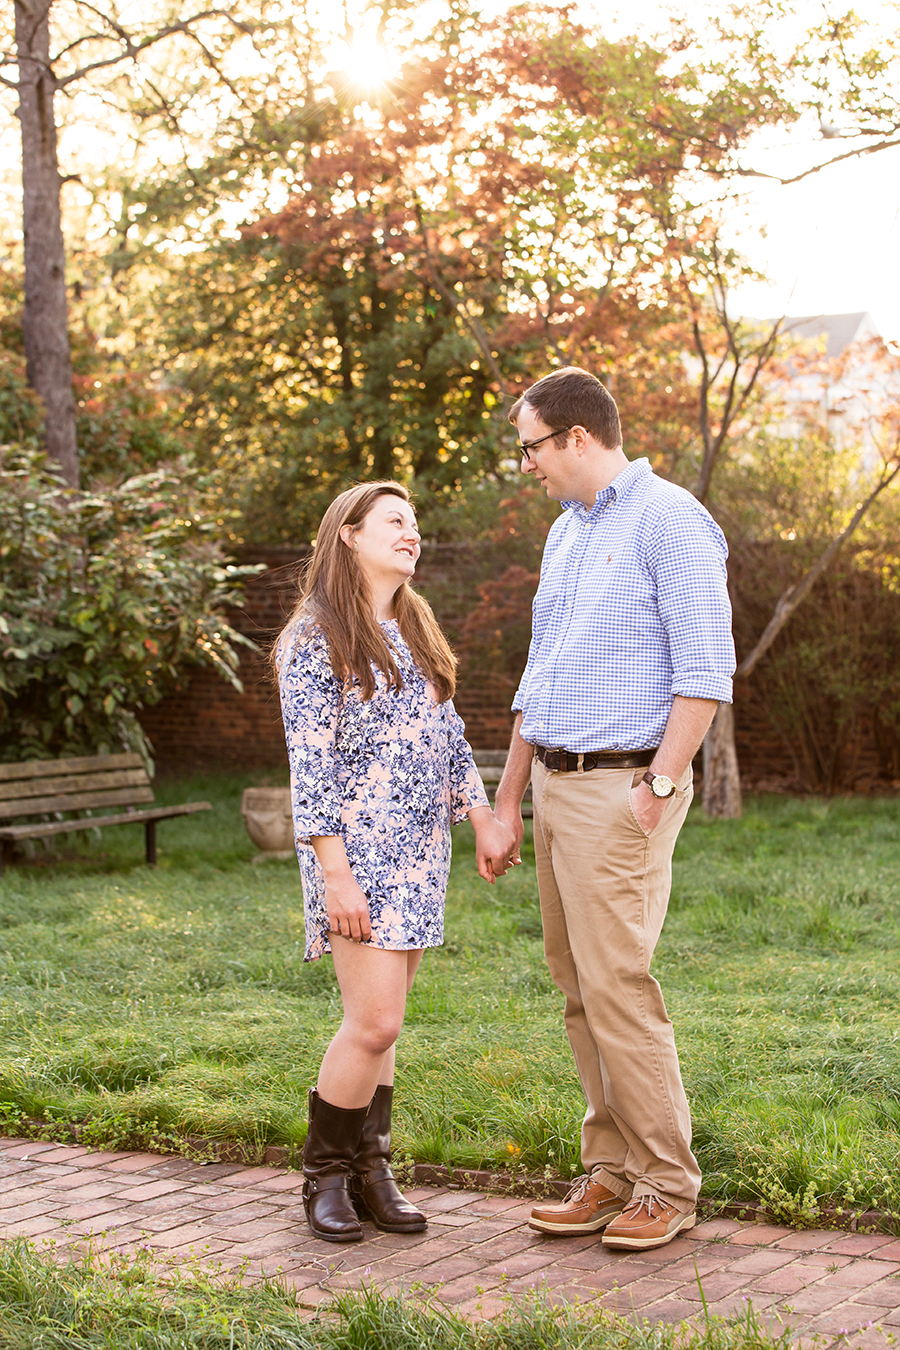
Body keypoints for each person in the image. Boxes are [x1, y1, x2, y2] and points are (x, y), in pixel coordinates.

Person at [492, 367, 735, 1251]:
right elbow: (538, 677)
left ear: (577, 437)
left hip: (623, 786)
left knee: (617, 986)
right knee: (577, 987)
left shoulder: (671, 520)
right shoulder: (566, 532)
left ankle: (666, 1183)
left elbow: (705, 669)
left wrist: (659, 786)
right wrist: (509, 798)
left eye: (530, 447)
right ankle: (611, 1170)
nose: (526, 465)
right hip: (555, 784)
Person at [275, 481, 514, 1244]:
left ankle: (372, 1171)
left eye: (415, 523)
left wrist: (481, 816)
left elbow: (448, 735)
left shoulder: (412, 625)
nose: (412, 533)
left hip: (420, 852)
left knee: (387, 1028)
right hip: (354, 856)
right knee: (372, 1022)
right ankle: (324, 1176)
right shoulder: (316, 637)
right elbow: (310, 766)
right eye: (394, 521)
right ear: (348, 534)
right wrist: (334, 874)